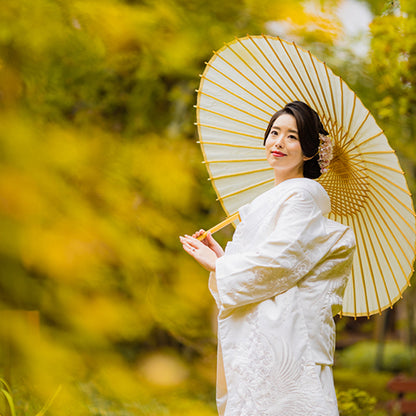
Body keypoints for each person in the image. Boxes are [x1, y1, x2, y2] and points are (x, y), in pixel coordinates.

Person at [180, 101, 356, 416]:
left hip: (287, 344)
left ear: (309, 151)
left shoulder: (301, 197)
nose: (278, 142)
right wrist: (224, 256)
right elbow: (270, 260)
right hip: (266, 340)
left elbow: (281, 262)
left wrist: (219, 266)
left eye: (292, 136)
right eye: (274, 132)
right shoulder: (276, 198)